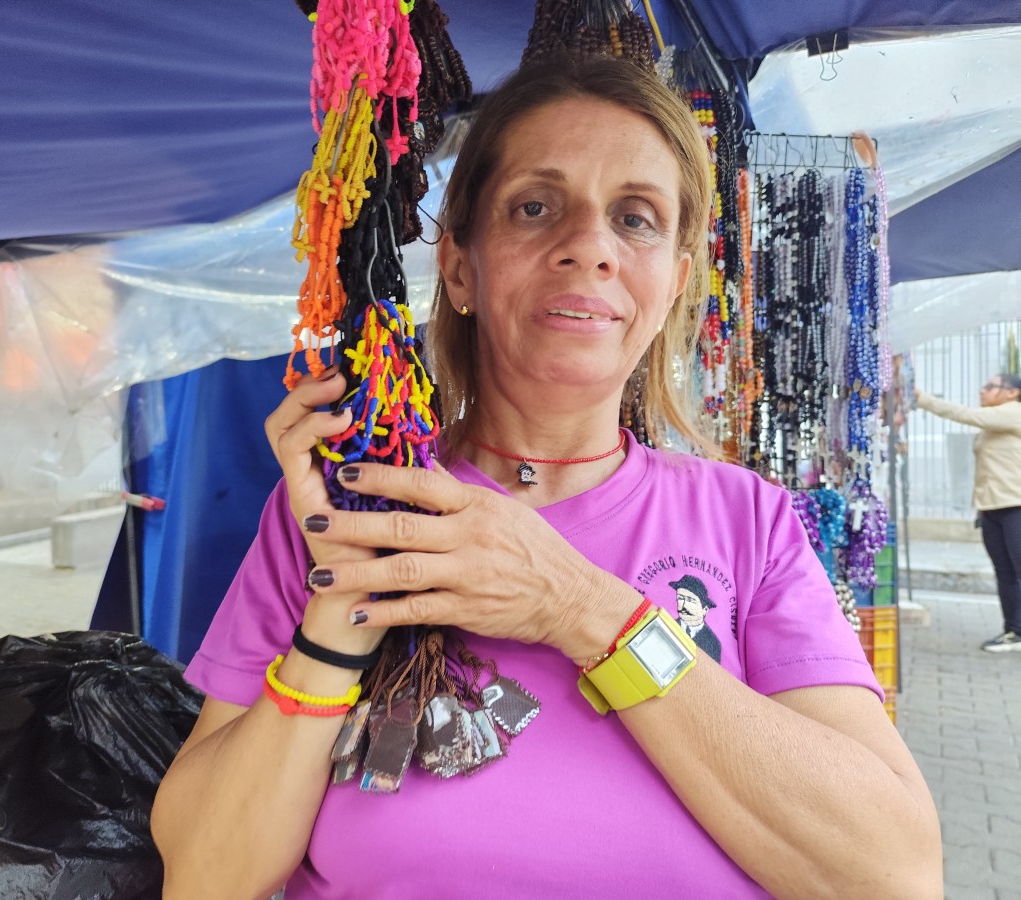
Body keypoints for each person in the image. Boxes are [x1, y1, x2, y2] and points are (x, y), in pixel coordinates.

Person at [151, 56, 942, 899]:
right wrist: (342, 616)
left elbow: (893, 874)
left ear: (675, 284)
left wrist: (581, 608)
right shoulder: (352, 509)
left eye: (635, 219)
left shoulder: (748, 521)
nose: (588, 248)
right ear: (459, 266)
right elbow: (206, 875)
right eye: (536, 207)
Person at [915, 374, 1021, 651]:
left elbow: (963, 414)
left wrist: (922, 398)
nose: (982, 390)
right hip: (992, 508)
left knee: (1015, 571)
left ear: (1011, 393)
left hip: (1015, 507)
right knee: (1005, 572)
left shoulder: (1012, 412)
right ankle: (1014, 631)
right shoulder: (993, 422)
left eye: (990, 386)